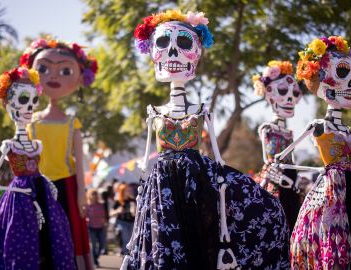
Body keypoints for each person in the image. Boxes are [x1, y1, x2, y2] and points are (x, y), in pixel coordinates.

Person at [122, 10, 290, 269]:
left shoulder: (200, 110)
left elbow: (218, 159)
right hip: (161, 183)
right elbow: (146, 159)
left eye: (184, 44)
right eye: (163, 44)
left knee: (201, 233)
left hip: (197, 179)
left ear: (196, 53)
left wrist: (225, 182)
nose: (173, 53)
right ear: (152, 53)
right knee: (166, 238)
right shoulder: (154, 112)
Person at [273, 36, 351, 269]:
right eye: (344, 73)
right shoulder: (319, 126)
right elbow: (280, 157)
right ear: (320, 79)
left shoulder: (349, 130)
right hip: (333, 188)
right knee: (334, 235)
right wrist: (279, 166)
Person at [0, 67, 75, 270]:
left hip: (41, 189)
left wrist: (47, 182)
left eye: (33, 101)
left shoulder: (37, 144)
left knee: (53, 234)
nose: (29, 107)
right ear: (7, 104)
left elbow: (37, 168)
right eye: (22, 100)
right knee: (19, 237)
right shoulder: (8, 145)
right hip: (20, 194)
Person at [21, 38, 98, 270]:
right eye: (43, 69)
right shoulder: (30, 121)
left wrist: (82, 194)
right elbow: (24, 158)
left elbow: (79, 160)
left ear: (78, 79)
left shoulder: (73, 122)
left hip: (67, 185)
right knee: (40, 231)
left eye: (64, 70)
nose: (53, 77)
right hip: (37, 185)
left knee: (67, 231)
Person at [252, 60, 322, 231]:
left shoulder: (289, 132)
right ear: (269, 93)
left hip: (290, 179)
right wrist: (291, 183)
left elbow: (291, 160)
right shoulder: (267, 129)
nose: (290, 98)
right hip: (275, 183)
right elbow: (268, 164)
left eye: (294, 93)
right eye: (283, 91)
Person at [86, 189, 107, 266]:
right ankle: (94, 260)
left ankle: (96, 257)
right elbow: (84, 215)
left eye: (95, 194)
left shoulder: (101, 205)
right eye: (92, 194)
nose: (94, 195)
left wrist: (104, 222)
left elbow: (104, 215)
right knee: (93, 245)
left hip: (100, 227)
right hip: (91, 227)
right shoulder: (87, 205)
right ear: (89, 195)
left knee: (102, 245)